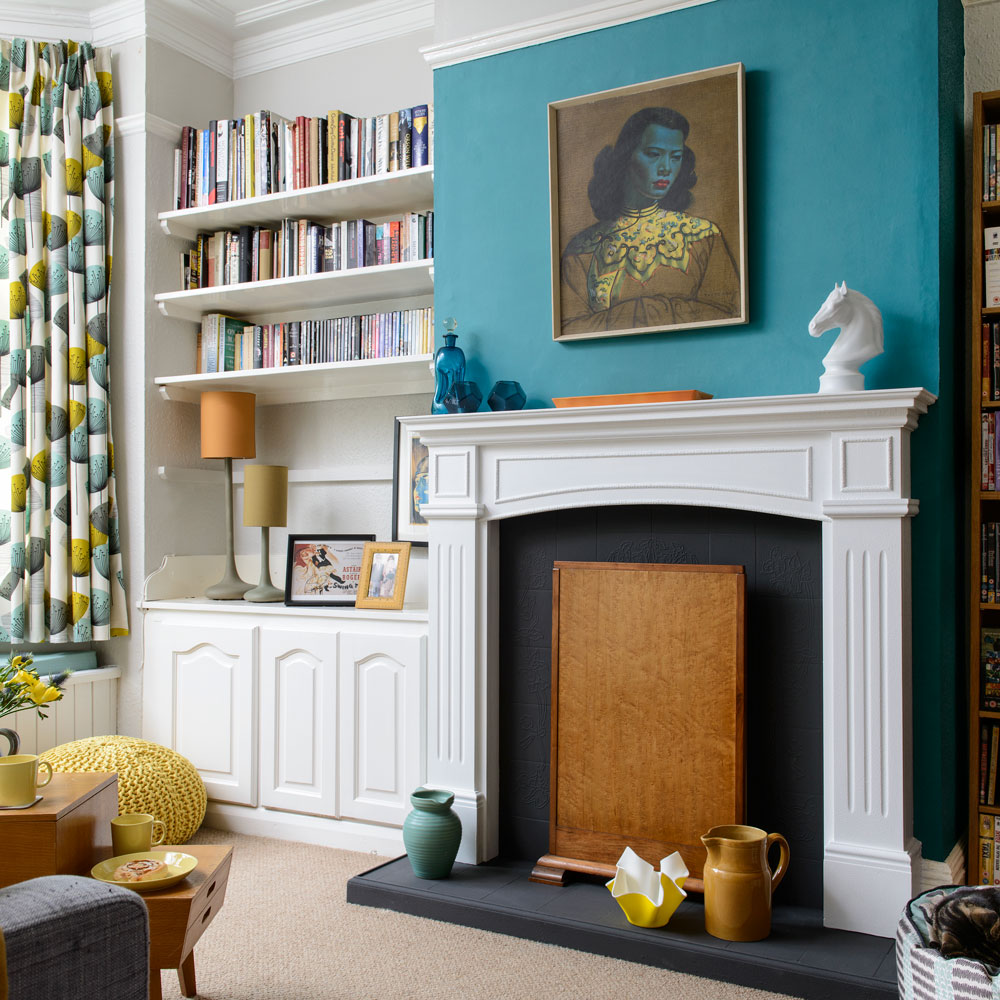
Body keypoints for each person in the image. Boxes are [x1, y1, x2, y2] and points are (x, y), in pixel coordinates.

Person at [559, 106, 740, 337]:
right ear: (626, 156)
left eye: (676, 157)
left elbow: (728, 315)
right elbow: (572, 329)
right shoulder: (581, 248)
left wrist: (645, 311)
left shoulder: (704, 236)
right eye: (654, 154)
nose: (666, 168)